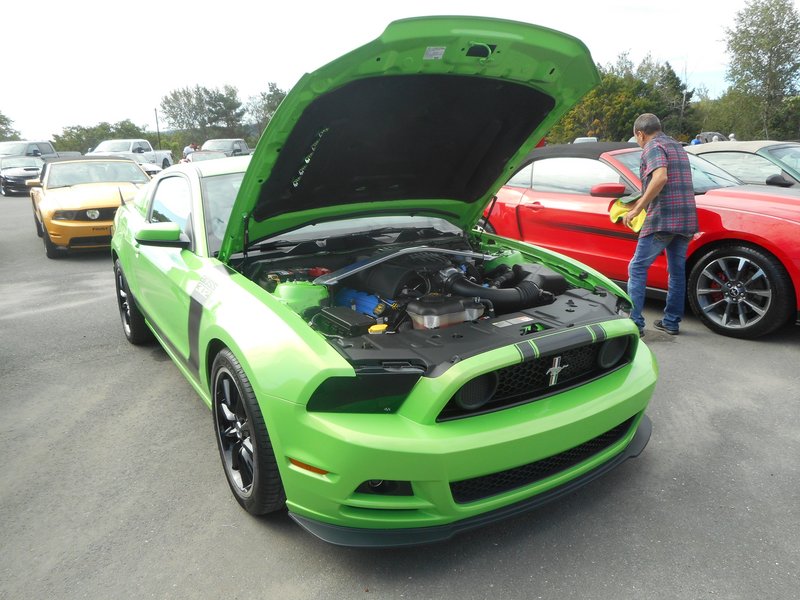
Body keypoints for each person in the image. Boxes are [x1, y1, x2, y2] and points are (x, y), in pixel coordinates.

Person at [623, 113, 698, 336]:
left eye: (636, 138)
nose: (638, 142)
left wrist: (637, 208)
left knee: (637, 268)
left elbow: (661, 177)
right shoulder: (676, 146)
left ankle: (635, 324)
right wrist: (641, 198)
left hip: (663, 218)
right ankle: (671, 322)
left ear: (640, 134)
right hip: (686, 219)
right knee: (676, 272)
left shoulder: (652, 147)